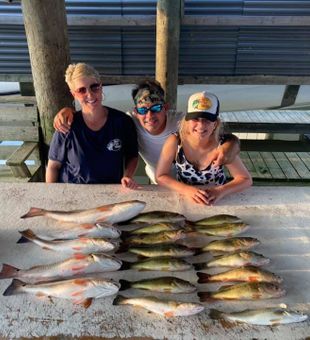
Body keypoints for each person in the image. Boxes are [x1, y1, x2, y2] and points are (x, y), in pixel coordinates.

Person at [53, 80, 240, 184]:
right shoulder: (128, 122)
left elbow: (211, 127)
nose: (149, 115)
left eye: (156, 108)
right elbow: (98, 113)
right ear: (135, 112)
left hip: (191, 179)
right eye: (142, 110)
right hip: (160, 179)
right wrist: (68, 110)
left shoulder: (182, 121)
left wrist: (232, 143)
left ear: (166, 107)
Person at [46, 63, 139, 188]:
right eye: (81, 90)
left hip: (111, 192)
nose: (89, 94)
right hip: (71, 191)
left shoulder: (123, 122)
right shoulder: (66, 124)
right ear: (74, 94)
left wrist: (127, 175)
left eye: (94, 87)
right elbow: (53, 167)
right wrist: (51, 196)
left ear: (101, 86)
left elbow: (132, 155)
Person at [156, 91, 252, 205]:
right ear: (186, 120)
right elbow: (160, 176)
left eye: (207, 120)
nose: (201, 125)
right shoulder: (175, 141)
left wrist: (220, 191)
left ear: (215, 124)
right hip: (186, 198)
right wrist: (188, 191)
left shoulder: (223, 146)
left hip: (217, 200)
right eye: (195, 119)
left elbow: (245, 179)